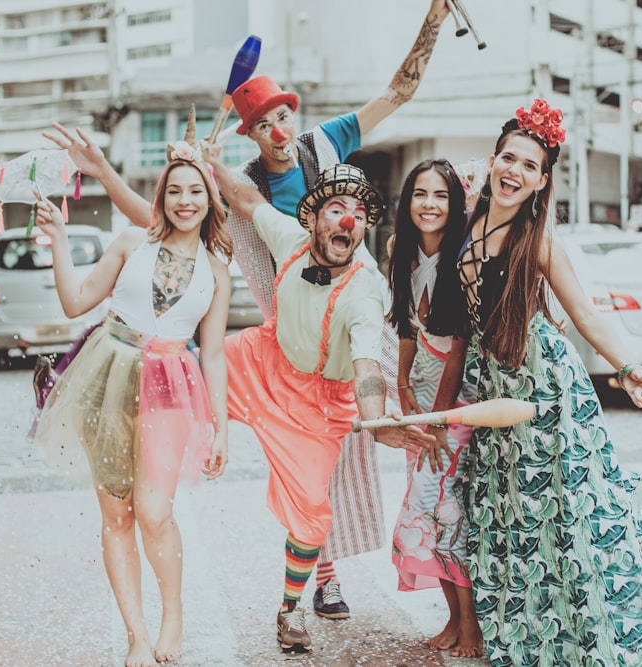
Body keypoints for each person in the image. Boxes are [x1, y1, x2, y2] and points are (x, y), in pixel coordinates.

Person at [43, 0, 454, 621]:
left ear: (296, 114)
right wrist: (109, 171)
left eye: (284, 115)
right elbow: (156, 221)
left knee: (344, 449)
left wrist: (433, 20)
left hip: (346, 319)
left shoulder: (327, 140)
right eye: (265, 124)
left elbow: (398, 91)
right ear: (252, 136)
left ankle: (327, 566)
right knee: (222, 415)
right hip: (282, 334)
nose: (281, 130)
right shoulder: (241, 187)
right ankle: (153, 509)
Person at [433, 99, 642, 665]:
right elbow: (458, 339)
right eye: (507, 158)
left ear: (542, 182)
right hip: (497, 398)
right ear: (492, 160)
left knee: (575, 519)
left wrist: (629, 366)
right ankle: (534, 647)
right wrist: (441, 416)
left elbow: (588, 317)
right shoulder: (465, 228)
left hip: (548, 392)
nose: (513, 172)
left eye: (528, 166)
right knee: (513, 525)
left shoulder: (540, 241)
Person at [209, 158, 436, 655]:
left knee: (312, 514)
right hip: (261, 363)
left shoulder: (363, 295)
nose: (349, 220)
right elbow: (247, 200)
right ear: (311, 219)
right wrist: (209, 162)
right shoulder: (289, 238)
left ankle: (288, 611)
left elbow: (368, 368)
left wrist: (375, 423)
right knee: (181, 372)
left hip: (314, 411)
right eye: (337, 208)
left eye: (358, 211)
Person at [30, 113, 231, 667]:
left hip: (171, 385)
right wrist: (60, 240)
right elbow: (75, 302)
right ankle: (136, 634)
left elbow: (212, 353)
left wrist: (222, 427)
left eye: (195, 191)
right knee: (115, 512)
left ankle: (174, 614)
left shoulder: (217, 268)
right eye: (174, 191)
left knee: (153, 511)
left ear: (210, 200)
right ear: (160, 196)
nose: (184, 201)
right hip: (106, 377)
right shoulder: (130, 242)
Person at [384, 159, 484, 657]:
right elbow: (406, 326)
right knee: (434, 513)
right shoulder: (399, 251)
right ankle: (452, 617)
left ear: (456, 203)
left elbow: (460, 347)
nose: (429, 204)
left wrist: (440, 419)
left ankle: (472, 625)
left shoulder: (463, 258)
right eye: (420, 194)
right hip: (420, 399)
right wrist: (401, 386)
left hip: (453, 402)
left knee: (439, 510)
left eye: (441, 195)